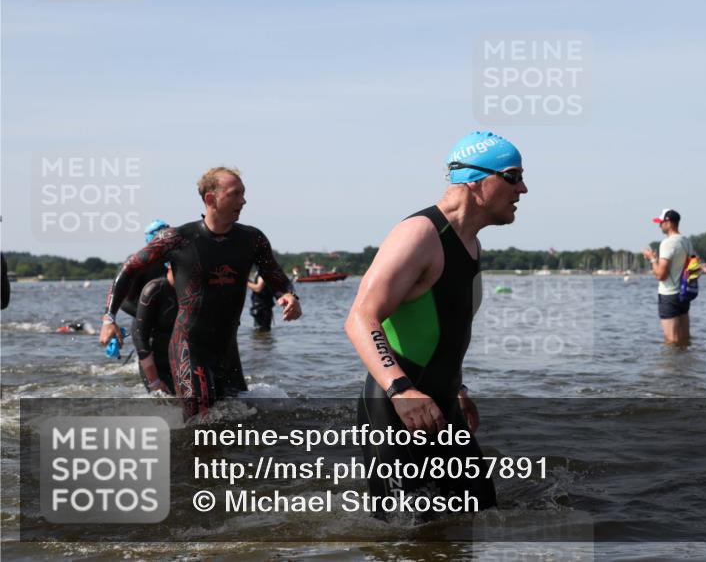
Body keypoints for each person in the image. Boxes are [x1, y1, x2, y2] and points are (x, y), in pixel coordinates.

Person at [344, 131, 526, 515]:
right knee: (405, 538)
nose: (522, 188)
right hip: (397, 410)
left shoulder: (470, 243)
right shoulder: (420, 234)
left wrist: (456, 386)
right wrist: (402, 391)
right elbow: (361, 317)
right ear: (476, 181)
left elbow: (444, 326)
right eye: (512, 176)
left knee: (480, 515)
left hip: (440, 407)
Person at [100, 167, 302, 419]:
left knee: (244, 420)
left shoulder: (253, 239)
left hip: (227, 349)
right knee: (200, 423)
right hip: (189, 347)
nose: (243, 200)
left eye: (244, 193)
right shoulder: (177, 239)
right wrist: (109, 318)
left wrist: (288, 295)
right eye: (235, 194)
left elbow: (276, 276)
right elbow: (129, 270)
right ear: (211, 199)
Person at [642, 209, 694, 348]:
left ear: (669, 222)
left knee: (671, 341)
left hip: (669, 295)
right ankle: (686, 368)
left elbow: (661, 275)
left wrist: (652, 259)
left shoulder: (667, 243)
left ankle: (673, 369)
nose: (659, 226)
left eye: (661, 223)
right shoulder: (686, 241)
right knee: (684, 339)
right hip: (684, 294)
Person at [132, 264, 178, 394]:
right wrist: (154, 381)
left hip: (183, 359)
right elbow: (140, 338)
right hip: (156, 363)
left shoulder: (195, 290)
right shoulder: (155, 289)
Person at [119, 220, 171, 319]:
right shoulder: (139, 263)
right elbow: (125, 302)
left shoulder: (176, 258)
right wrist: (150, 319)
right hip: (147, 322)